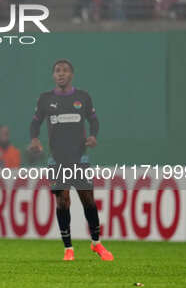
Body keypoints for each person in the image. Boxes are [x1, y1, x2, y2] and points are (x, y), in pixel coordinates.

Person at [28, 59, 113, 262]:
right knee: (62, 200)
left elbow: (93, 120)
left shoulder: (83, 98)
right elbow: (35, 122)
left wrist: (93, 136)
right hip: (57, 159)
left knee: (88, 200)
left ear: (72, 74)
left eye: (65, 71)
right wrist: (34, 140)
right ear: (53, 75)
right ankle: (68, 248)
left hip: (79, 157)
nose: (61, 74)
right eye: (57, 70)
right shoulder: (45, 99)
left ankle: (96, 243)